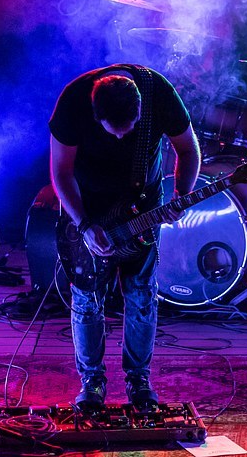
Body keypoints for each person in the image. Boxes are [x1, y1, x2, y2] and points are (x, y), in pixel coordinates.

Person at [49, 65, 200, 412]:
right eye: (112, 130)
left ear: (140, 109)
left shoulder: (159, 94)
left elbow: (188, 150)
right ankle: (92, 381)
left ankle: (139, 379)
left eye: (128, 129)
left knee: (142, 293)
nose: (120, 138)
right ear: (95, 113)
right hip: (86, 210)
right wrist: (84, 225)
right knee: (87, 298)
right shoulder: (73, 101)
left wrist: (182, 193)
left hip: (142, 207)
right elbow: (60, 172)